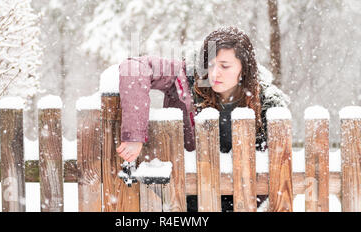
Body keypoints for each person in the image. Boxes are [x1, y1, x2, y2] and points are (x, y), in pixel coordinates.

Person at [116, 26, 290, 211]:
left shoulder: (266, 104)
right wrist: (134, 136)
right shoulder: (186, 77)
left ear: (244, 68)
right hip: (183, 203)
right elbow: (134, 67)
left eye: (225, 66)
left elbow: (274, 171)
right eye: (211, 65)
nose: (215, 73)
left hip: (245, 203)